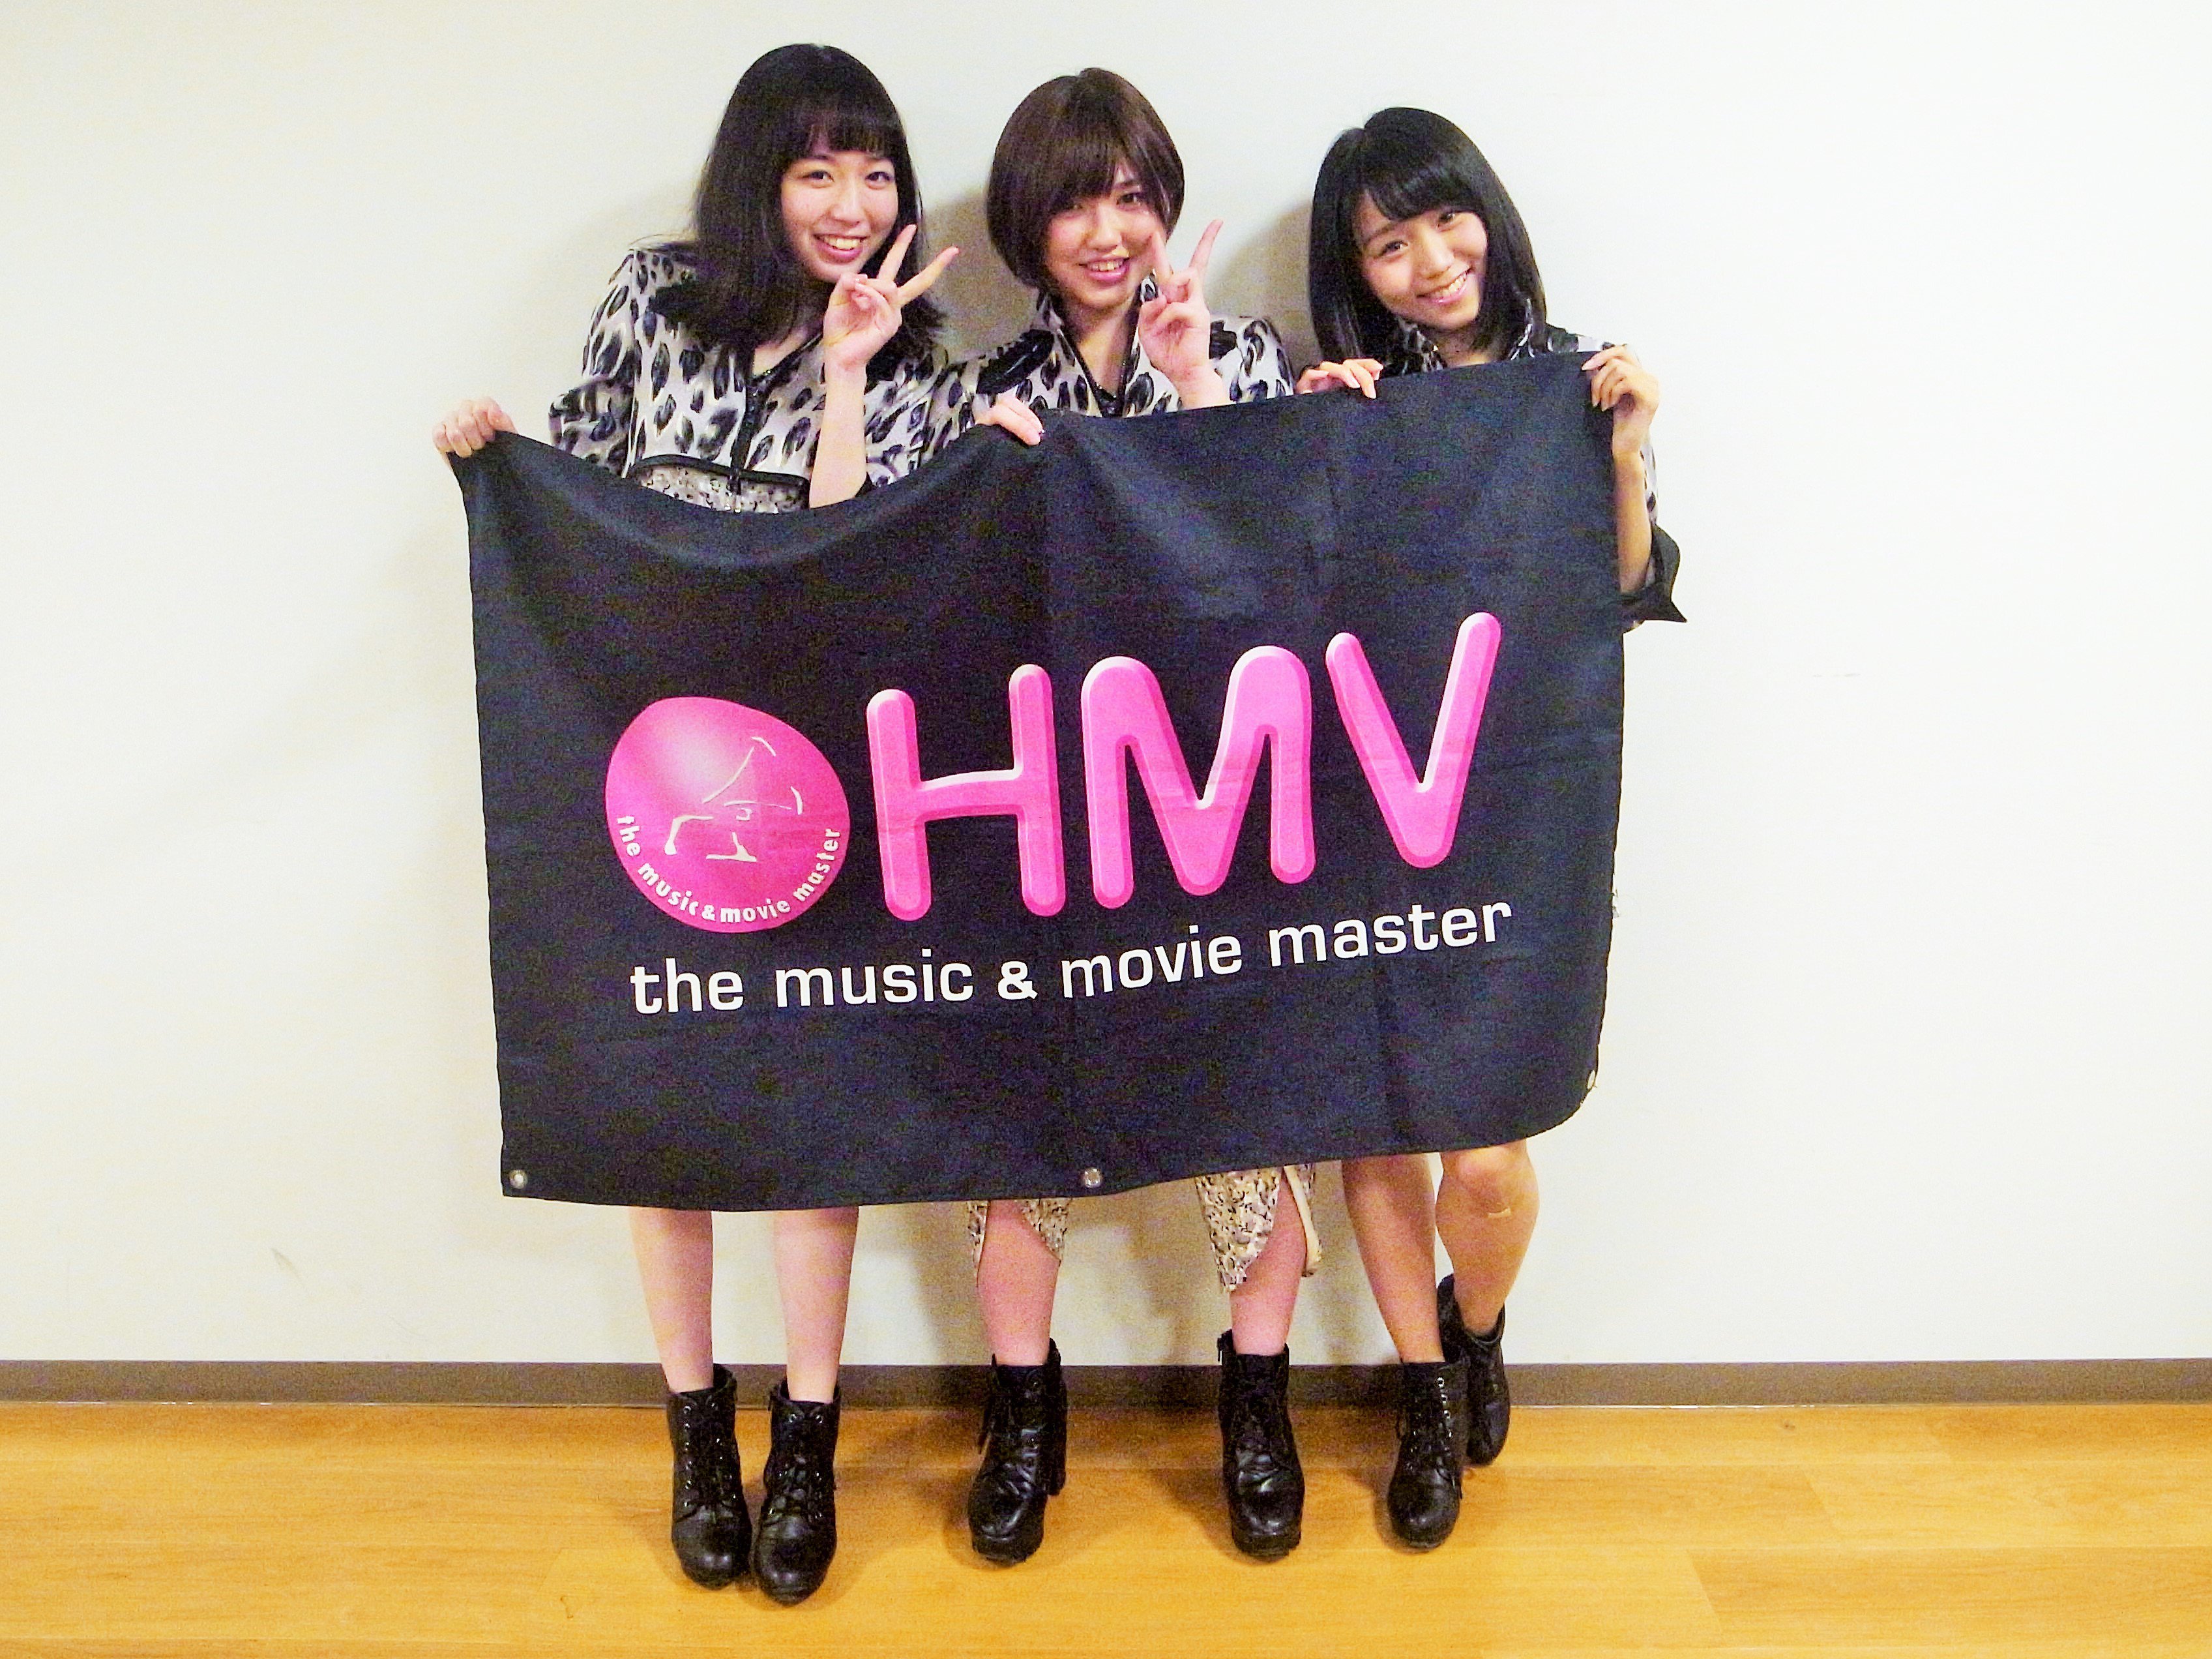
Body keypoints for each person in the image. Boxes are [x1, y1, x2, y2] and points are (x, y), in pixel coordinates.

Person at [432, 43, 954, 1603]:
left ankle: (808, 1429)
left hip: (817, 773)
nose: (850, 204)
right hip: (646, 765)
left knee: (812, 1104)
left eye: (874, 172)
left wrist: (851, 371)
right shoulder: (652, 299)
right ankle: (692, 1426)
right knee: (662, 1088)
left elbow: (857, 560)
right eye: (816, 171)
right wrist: (490, 463)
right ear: (758, 179)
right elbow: (580, 510)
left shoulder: (913, 350)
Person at [926, 67, 1312, 1569]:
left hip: (1213, 803)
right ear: (1028, 223)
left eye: (1133, 197)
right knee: (1014, 1117)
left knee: (1251, 1104)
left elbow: (1280, 571)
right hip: (1043, 816)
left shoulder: (1240, 352)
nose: (1108, 230)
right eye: (1077, 202)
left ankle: (1258, 1405)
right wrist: (984, 488)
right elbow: (929, 614)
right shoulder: (983, 390)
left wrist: (1194, 390)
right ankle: (1021, 1416)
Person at [1299, 104, 1684, 1551]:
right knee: (1373, 1116)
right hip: (1359, 795)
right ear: (1356, 273)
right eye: (1385, 244)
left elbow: (1625, 593)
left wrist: (1626, 451)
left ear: (1488, 214)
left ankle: (1475, 1327)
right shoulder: (1351, 392)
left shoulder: (1572, 380)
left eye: (1442, 219)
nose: (1428, 260)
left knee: (1485, 1150)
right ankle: (1418, 1389)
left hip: (1512, 807)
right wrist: (1315, 434)